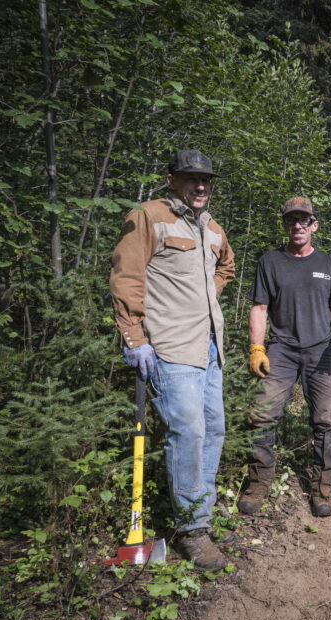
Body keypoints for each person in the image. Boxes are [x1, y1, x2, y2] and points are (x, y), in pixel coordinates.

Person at [109, 149, 233, 571]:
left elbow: (227, 268)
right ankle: (192, 531)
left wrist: (203, 298)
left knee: (213, 429)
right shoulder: (149, 216)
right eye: (190, 178)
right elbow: (126, 276)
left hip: (209, 348)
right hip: (170, 347)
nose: (200, 186)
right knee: (187, 431)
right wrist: (133, 336)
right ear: (172, 180)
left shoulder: (212, 228)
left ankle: (202, 515)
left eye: (206, 180)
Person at [238, 197, 331, 518]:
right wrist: (256, 348)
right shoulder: (270, 261)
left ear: (314, 225)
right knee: (262, 415)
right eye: (291, 220)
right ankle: (259, 482)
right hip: (281, 349)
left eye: (304, 220)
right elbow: (259, 308)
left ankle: (322, 490)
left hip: (320, 351)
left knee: (325, 419)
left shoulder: (327, 264)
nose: (298, 226)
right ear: (284, 225)